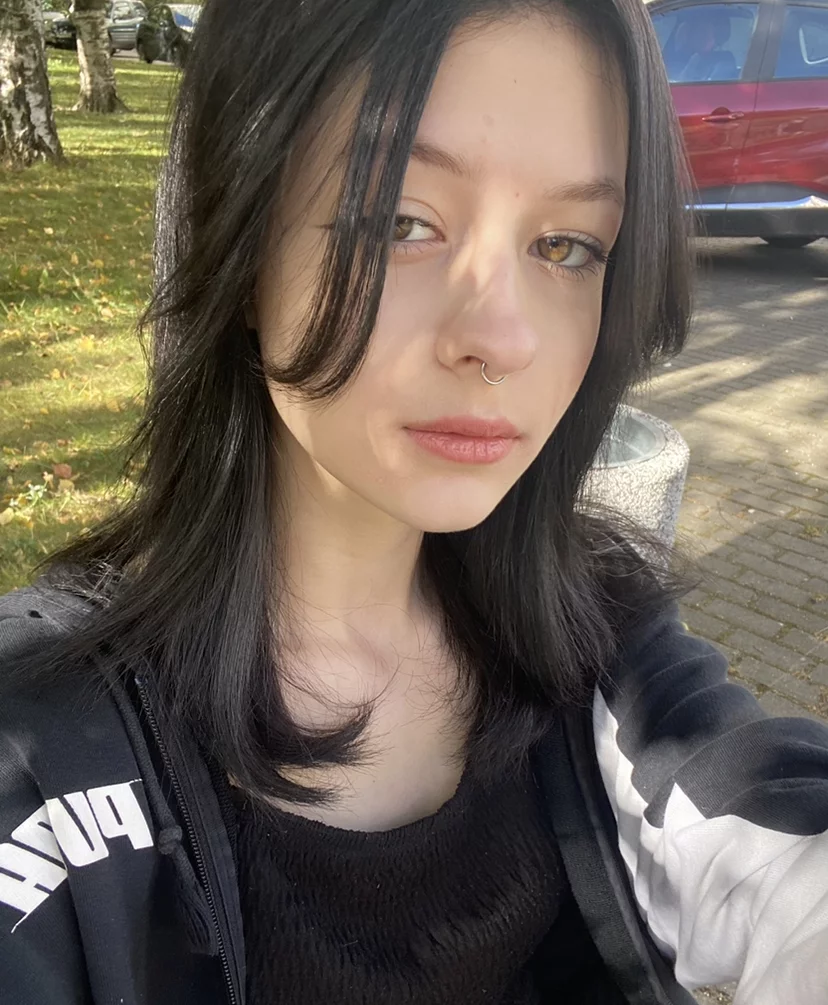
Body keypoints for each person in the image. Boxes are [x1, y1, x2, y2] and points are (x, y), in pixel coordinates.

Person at [1, 0, 826, 1003]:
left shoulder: (596, 635)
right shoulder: (40, 755)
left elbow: (772, 830)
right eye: (400, 220)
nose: (505, 338)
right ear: (238, 231)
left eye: (567, 245)